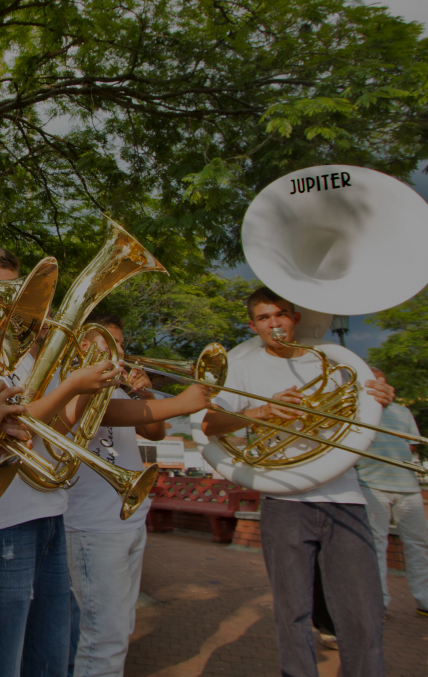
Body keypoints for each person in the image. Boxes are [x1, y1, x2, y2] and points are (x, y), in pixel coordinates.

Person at [202, 286, 394, 677]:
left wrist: (379, 393)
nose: (274, 324)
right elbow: (210, 423)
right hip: (284, 500)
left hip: (345, 496)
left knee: (363, 616)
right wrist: (265, 410)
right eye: (264, 317)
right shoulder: (242, 366)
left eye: (281, 315)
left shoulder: (332, 362)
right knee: (292, 614)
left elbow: (365, 402)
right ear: (252, 325)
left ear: (296, 318)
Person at [64, 313, 211, 677]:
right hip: (92, 526)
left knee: (117, 628)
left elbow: (155, 432)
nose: (122, 353)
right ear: (84, 344)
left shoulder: (116, 383)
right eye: (111, 344)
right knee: (104, 638)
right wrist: (181, 402)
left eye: (123, 345)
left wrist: (143, 392)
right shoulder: (72, 381)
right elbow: (105, 416)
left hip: (129, 517)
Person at [0, 250, 123, 677]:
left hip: (49, 513)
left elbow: (58, 426)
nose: (18, 305)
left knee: (53, 655)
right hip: (7, 525)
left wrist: (90, 384)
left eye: (21, 293)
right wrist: (71, 383)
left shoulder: (29, 355)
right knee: (9, 654)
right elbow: (12, 428)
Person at [356, 368, 428, 617]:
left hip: (408, 487)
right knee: (376, 544)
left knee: (420, 543)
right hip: (372, 486)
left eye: (383, 384)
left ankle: (425, 600)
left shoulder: (403, 412)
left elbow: (409, 446)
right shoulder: (358, 410)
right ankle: (380, 601)